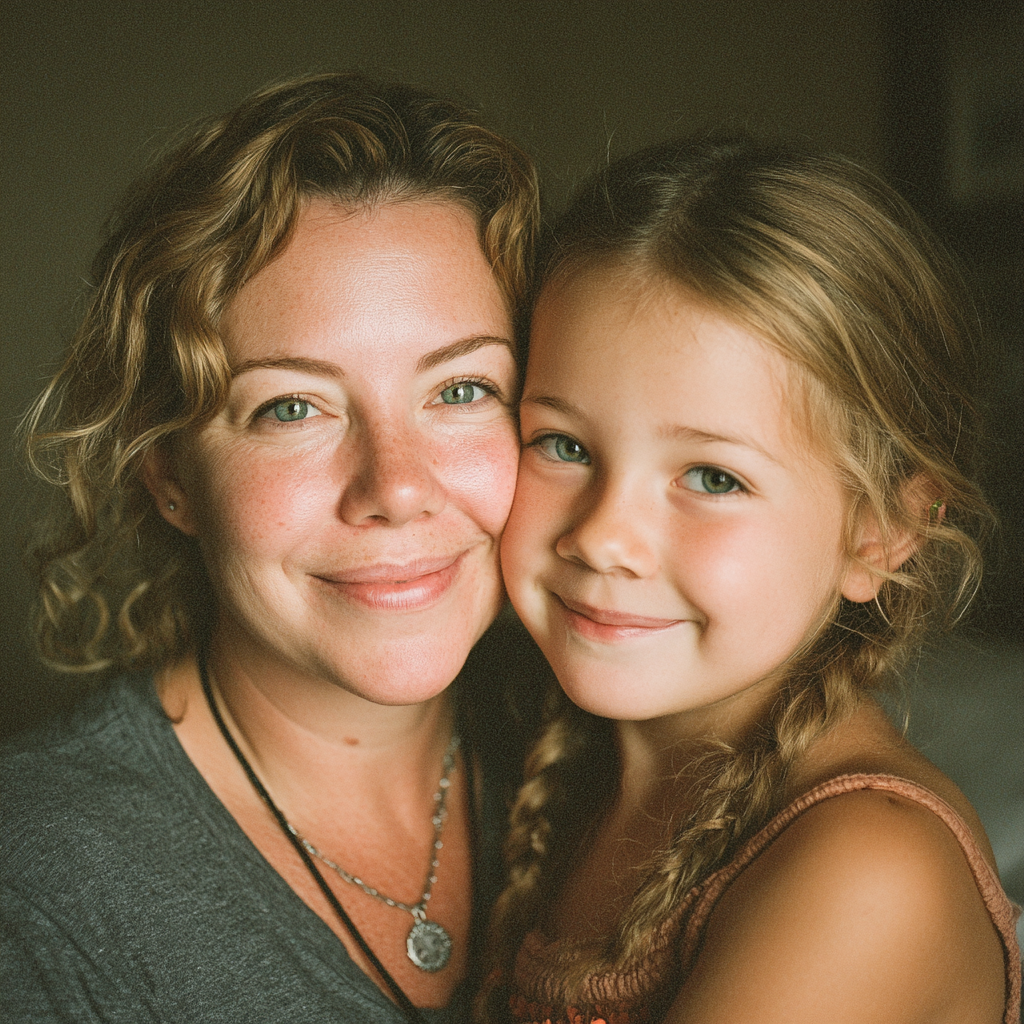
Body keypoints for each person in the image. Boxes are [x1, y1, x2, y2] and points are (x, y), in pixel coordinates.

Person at [2, 72, 540, 1023]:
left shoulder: (619, 766)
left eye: (460, 390)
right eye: (292, 406)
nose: (396, 487)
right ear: (168, 474)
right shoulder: (36, 891)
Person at [481, 138, 1021, 1023]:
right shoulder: (566, 772)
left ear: (880, 531)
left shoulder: (868, 869)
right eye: (564, 446)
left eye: (713, 478)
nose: (606, 538)